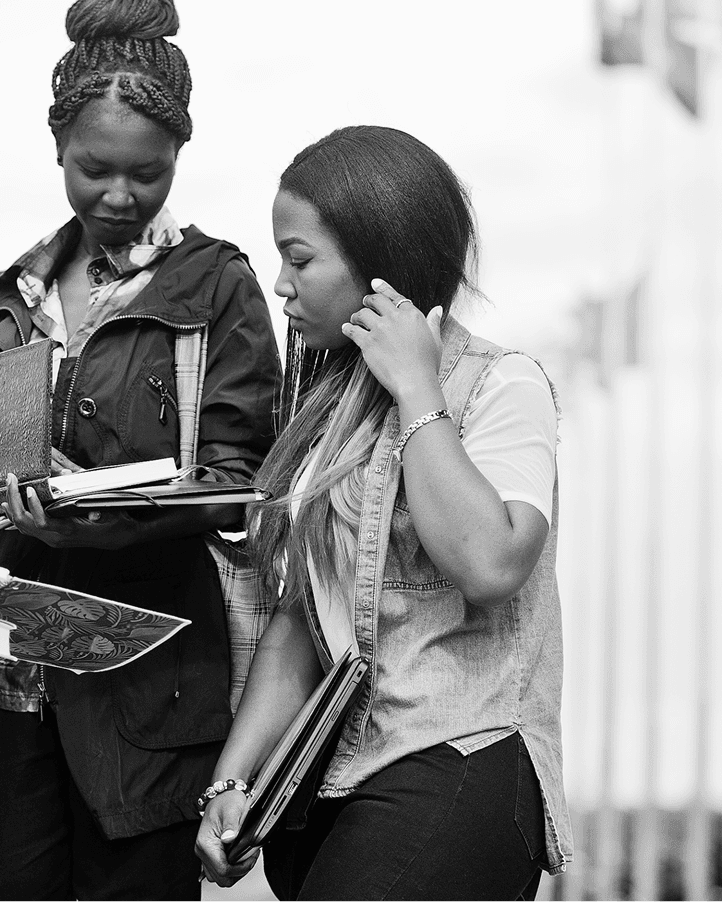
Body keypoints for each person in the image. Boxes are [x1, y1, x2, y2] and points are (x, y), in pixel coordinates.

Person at [0, 1, 281, 897]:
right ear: (57, 150)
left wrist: (99, 512)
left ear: (179, 158)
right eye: (94, 170)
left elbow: (247, 483)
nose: (119, 196)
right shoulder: (17, 290)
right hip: (16, 668)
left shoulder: (219, 288)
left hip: (151, 676)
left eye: (146, 175)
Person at [192, 125, 573, 901]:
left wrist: (417, 389)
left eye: (299, 259)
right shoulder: (323, 418)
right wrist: (230, 785)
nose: (280, 285)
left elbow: (491, 564)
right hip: (327, 784)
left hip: (458, 761)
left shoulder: (501, 386)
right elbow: (300, 621)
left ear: (380, 264)